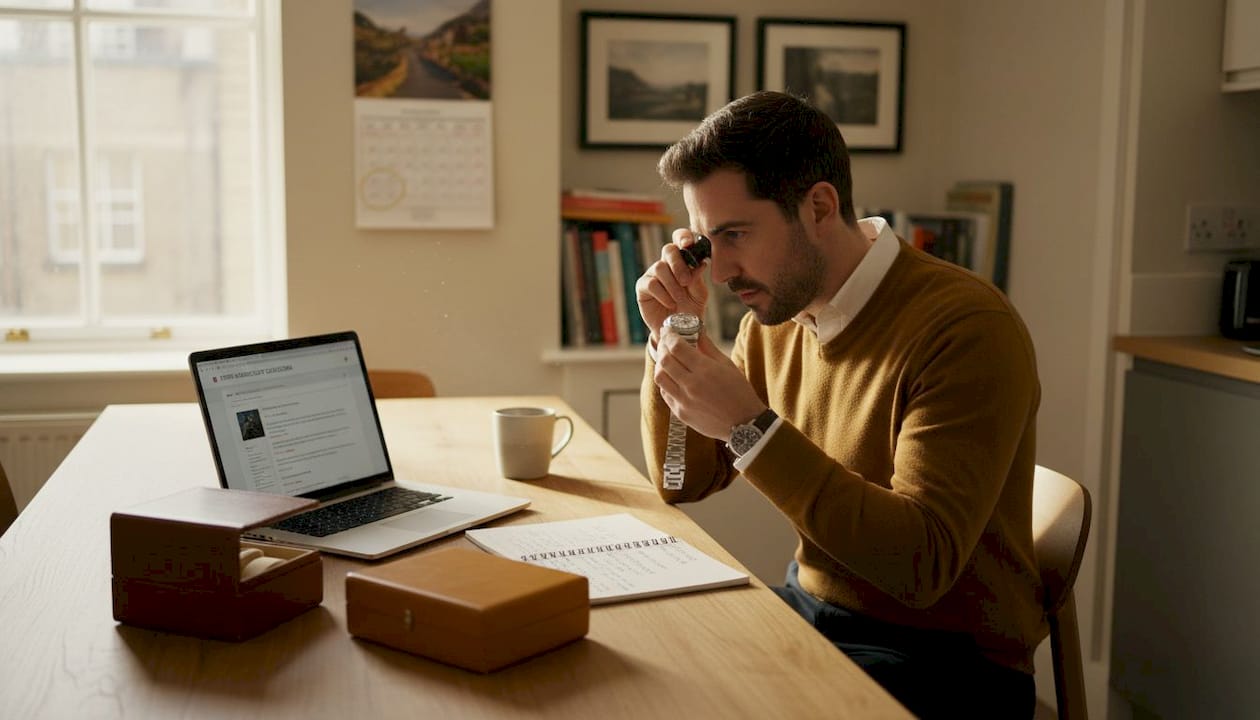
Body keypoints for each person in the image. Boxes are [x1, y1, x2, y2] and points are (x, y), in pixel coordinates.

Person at [635, 91, 1044, 718]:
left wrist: (750, 428)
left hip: (945, 663)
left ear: (819, 207)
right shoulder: (775, 314)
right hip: (814, 613)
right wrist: (674, 337)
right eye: (707, 244)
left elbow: (921, 566)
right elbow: (682, 481)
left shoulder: (965, 327)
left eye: (736, 234)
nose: (719, 273)